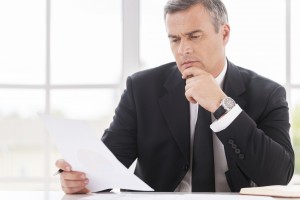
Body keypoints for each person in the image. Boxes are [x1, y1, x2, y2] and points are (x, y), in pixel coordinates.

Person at [56, 0, 294, 194]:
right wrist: (79, 179)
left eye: (194, 36)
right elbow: (103, 171)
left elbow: (278, 176)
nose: (183, 50)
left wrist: (223, 106)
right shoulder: (142, 89)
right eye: (175, 39)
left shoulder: (267, 94)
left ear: (224, 33)